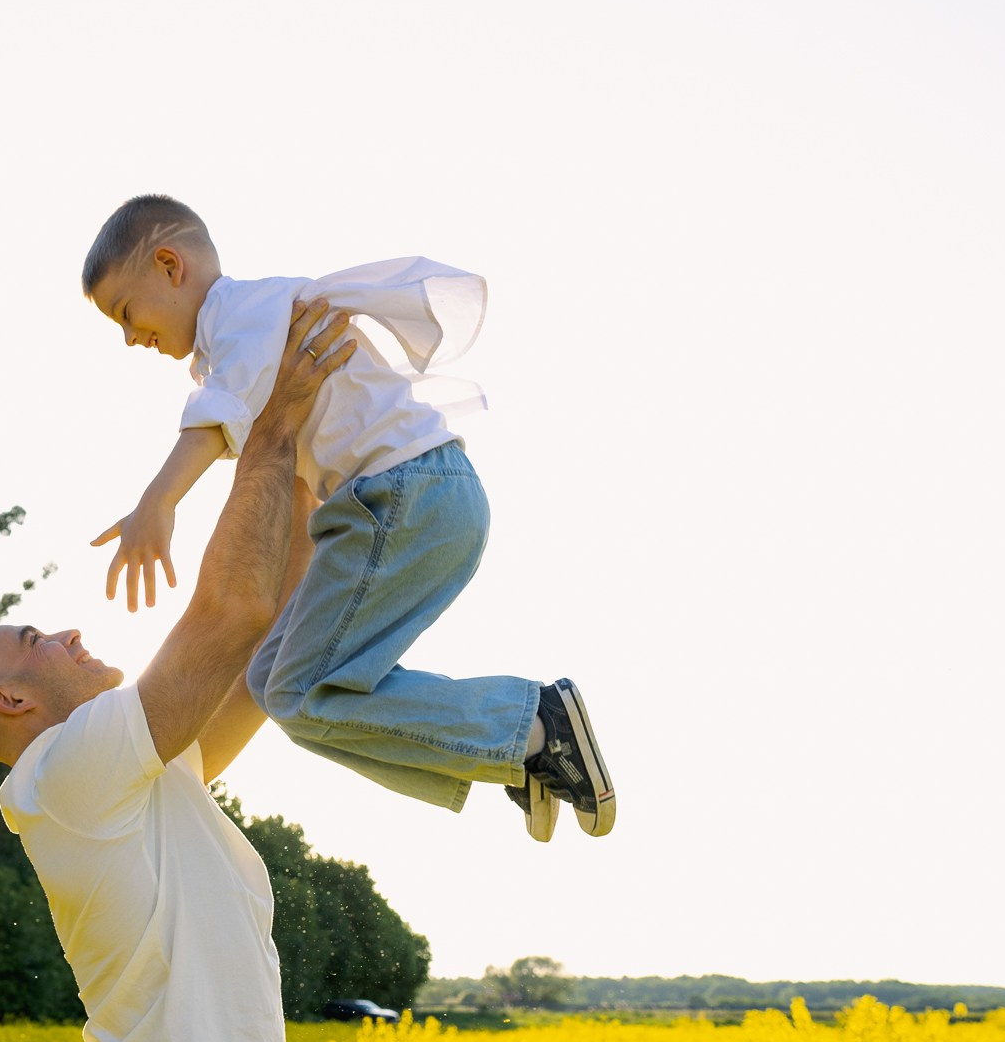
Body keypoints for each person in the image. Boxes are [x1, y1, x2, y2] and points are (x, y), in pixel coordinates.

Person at [0, 297, 354, 1042]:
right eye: (35, 636)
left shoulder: (149, 774)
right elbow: (225, 616)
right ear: (15, 706)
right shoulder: (63, 777)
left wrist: (303, 465)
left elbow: (263, 656)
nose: (71, 628)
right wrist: (264, 432)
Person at [82, 193, 613, 840]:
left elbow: (216, 420)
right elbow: (278, 477)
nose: (131, 337)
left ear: (170, 266)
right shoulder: (243, 339)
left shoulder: (246, 313)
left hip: (404, 495)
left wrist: (156, 501)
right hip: (407, 501)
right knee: (279, 685)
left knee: (303, 694)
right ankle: (515, 754)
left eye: (125, 312)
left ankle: (532, 725)